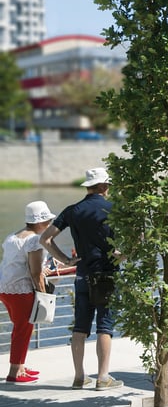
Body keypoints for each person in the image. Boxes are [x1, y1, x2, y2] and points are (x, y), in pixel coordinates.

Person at [40, 167, 123, 390]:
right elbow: (138, 237)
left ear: (88, 187)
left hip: (82, 274)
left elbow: (45, 239)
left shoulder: (72, 210)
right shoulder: (114, 209)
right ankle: (103, 377)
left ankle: (79, 377)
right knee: (105, 325)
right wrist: (123, 255)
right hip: (107, 273)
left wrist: (66, 260)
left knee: (80, 326)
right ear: (104, 186)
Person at [0, 201, 55, 384]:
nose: (49, 224)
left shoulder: (12, 237)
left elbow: (19, 264)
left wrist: (40, 270)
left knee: (20, 328)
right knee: (23, 330)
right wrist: (43, 295)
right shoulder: (34, 240)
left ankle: (20, 367)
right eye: (47, 220)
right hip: (21, 290)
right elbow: (34, 272)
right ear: (39, 222)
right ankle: (14, 372)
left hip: (5, 289)